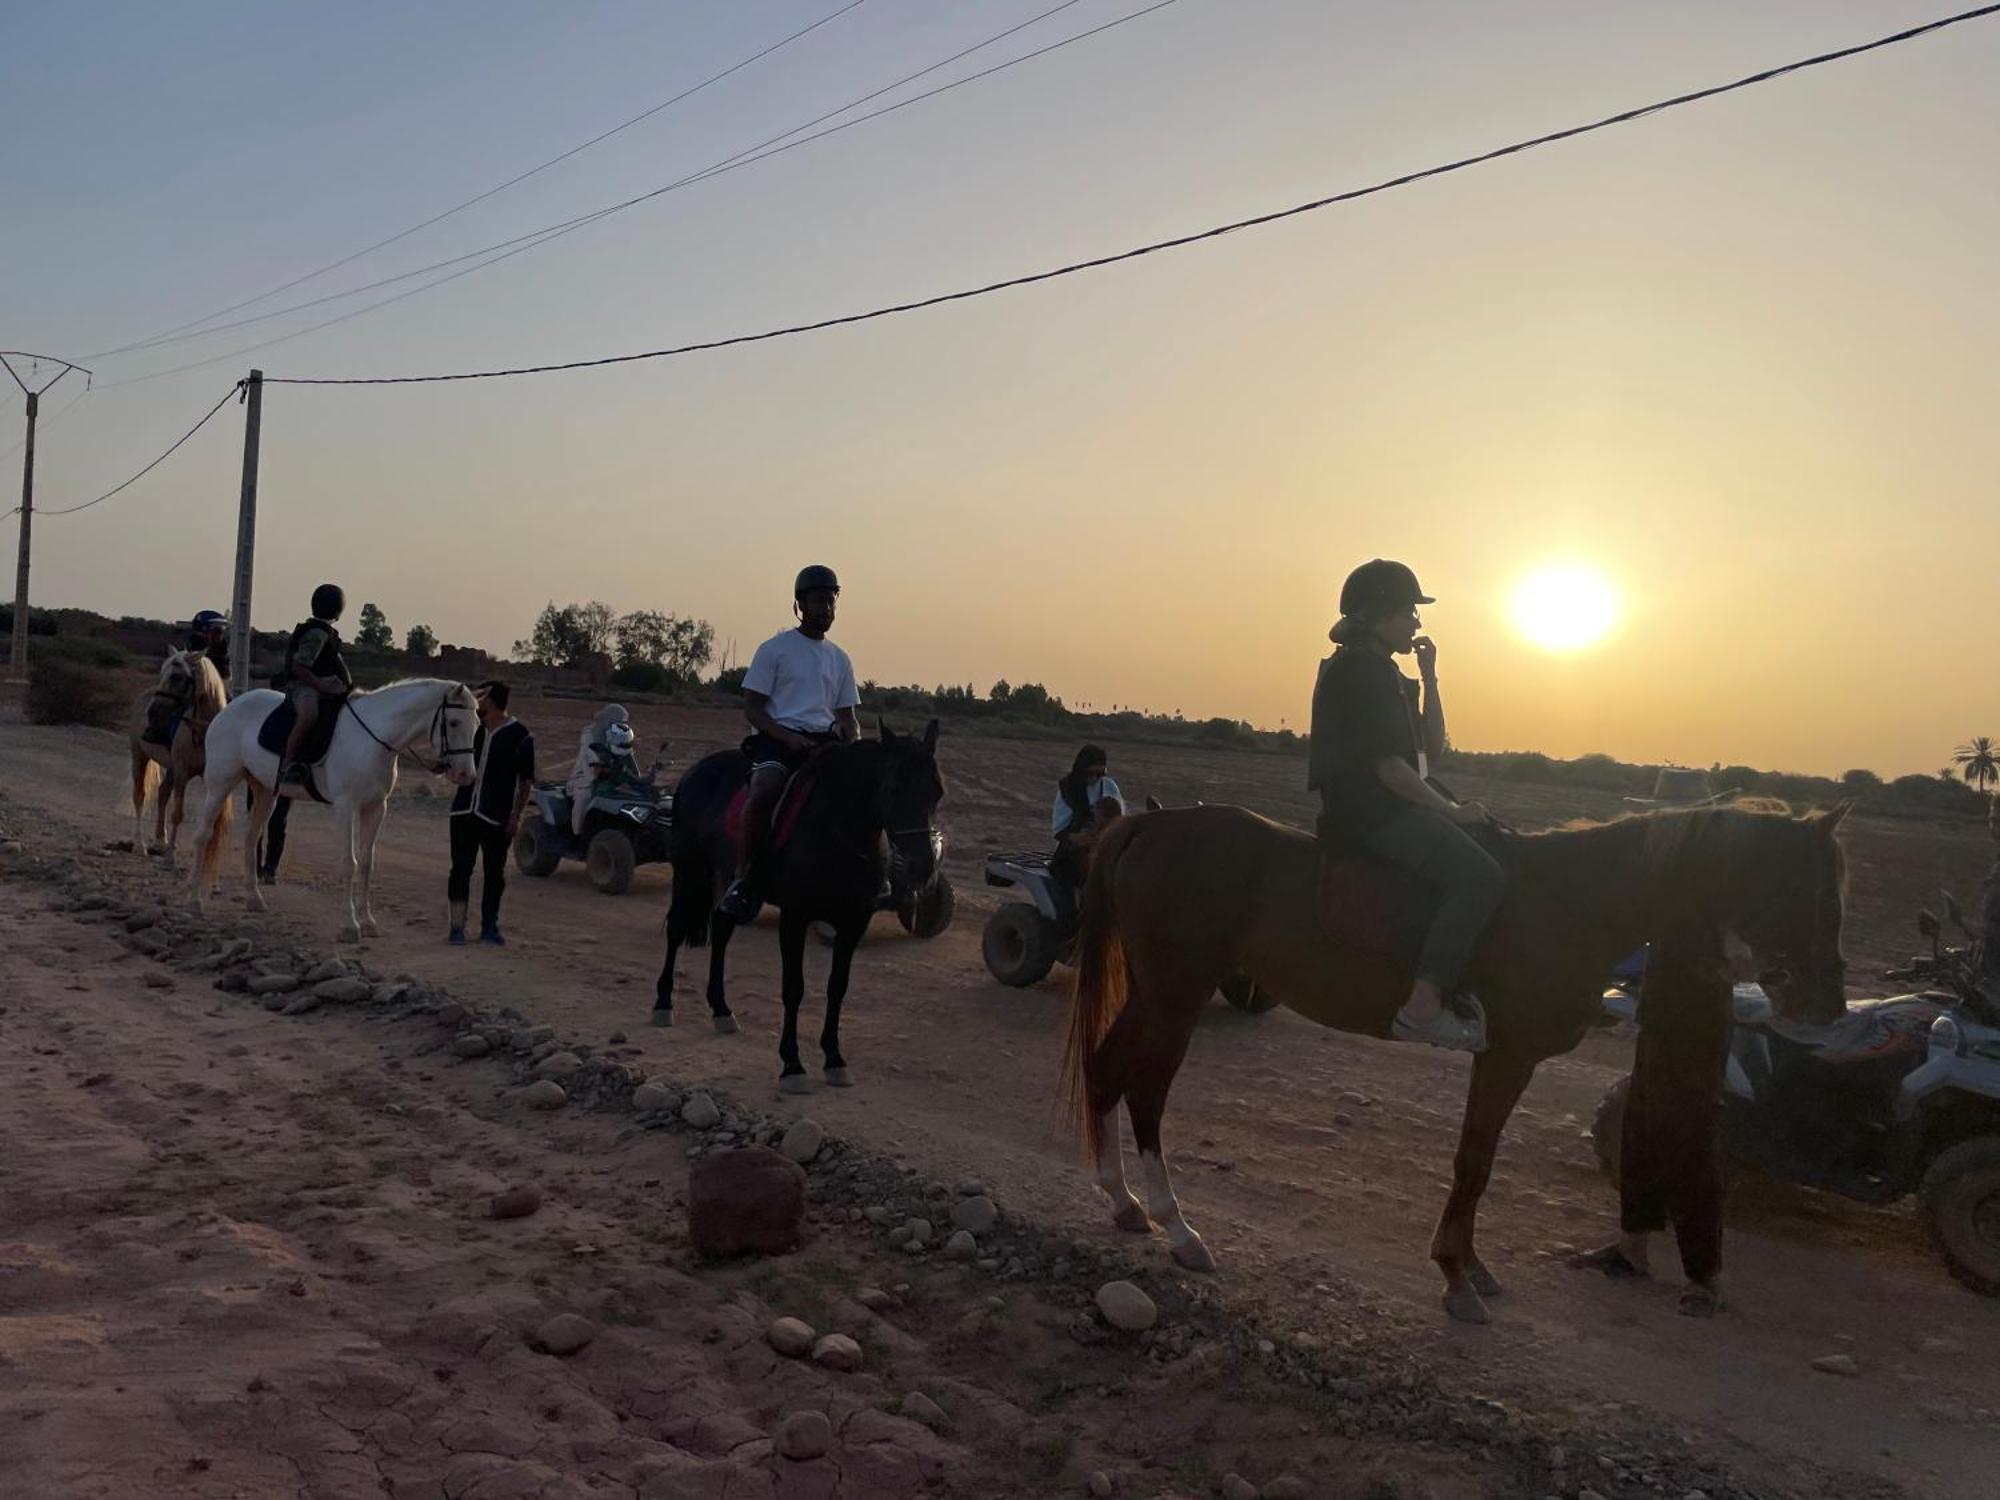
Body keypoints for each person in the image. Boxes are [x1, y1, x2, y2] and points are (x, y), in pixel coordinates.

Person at [1308, 559, 1504, 1052]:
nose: (1416, 623)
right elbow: (1389, 769)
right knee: (1481, 877)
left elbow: (1430, 751)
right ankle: (1421, 1008)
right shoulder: (1360, 672)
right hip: (1372, 814)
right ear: (1377, 614)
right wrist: (1450, 811)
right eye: (1408, 613)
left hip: (1391, 804)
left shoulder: (1387, 673)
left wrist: (1431, 677)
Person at [718, 564, 860, 921]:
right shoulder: (775, 650)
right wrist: (788, 737)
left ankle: (872, 875)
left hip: (825, 745)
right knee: (765, 791)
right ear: (800, 604)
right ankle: (743, 880)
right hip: (777, 741)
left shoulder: (840, 659)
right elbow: (753, 708)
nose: (825, 609)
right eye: (817, 601)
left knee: (868, 795)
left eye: (830, 601)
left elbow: (848, 717)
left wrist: (854, 746)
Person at [448, 681, 536, 946]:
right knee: (460, 870)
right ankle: (456, 928)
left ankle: (489, 928)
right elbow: (453, 764)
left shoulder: (521, 736)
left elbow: (526, 782)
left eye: (480, 697)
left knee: (494, 875)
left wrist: (515, 817)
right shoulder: (472, 730)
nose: (476, 702)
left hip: (496, 816)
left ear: (491, 700)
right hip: (463, 812)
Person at [277, 584, 354, 789]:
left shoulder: (327, 633)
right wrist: (323, 686)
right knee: (309, 715)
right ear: (339, 610)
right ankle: (288, 763)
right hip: (302, 687)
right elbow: (300, 667)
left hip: (322, 685)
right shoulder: (316, 634)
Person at [1050, 745, 1123, 920]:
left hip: (1106, 844)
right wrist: (1079, 839)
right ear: (1081, 770)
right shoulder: (1068, 789)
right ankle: (1071, 925)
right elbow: (1059, 831)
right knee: (1072, 893)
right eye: (1091, 774)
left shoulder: (1108, 786)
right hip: (1076, 848)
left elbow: (1119, 816)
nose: (1096, 778)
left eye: (1100, 774)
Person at [567, 703, 631, 837]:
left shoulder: (617, 735)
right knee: (584, 796)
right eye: (619, 722)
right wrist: (602, 766)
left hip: (608, 775)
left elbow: (627, 755)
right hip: (585, 777)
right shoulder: (590, 735)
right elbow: (593, 758)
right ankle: (578, 835)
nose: (621, 725)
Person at [187, 610, 230, 678]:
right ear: (204, 631)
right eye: (217, 631)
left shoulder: (221, 651)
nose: (220, 635)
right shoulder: (193, 657)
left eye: (221, 631)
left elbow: (226, 675)